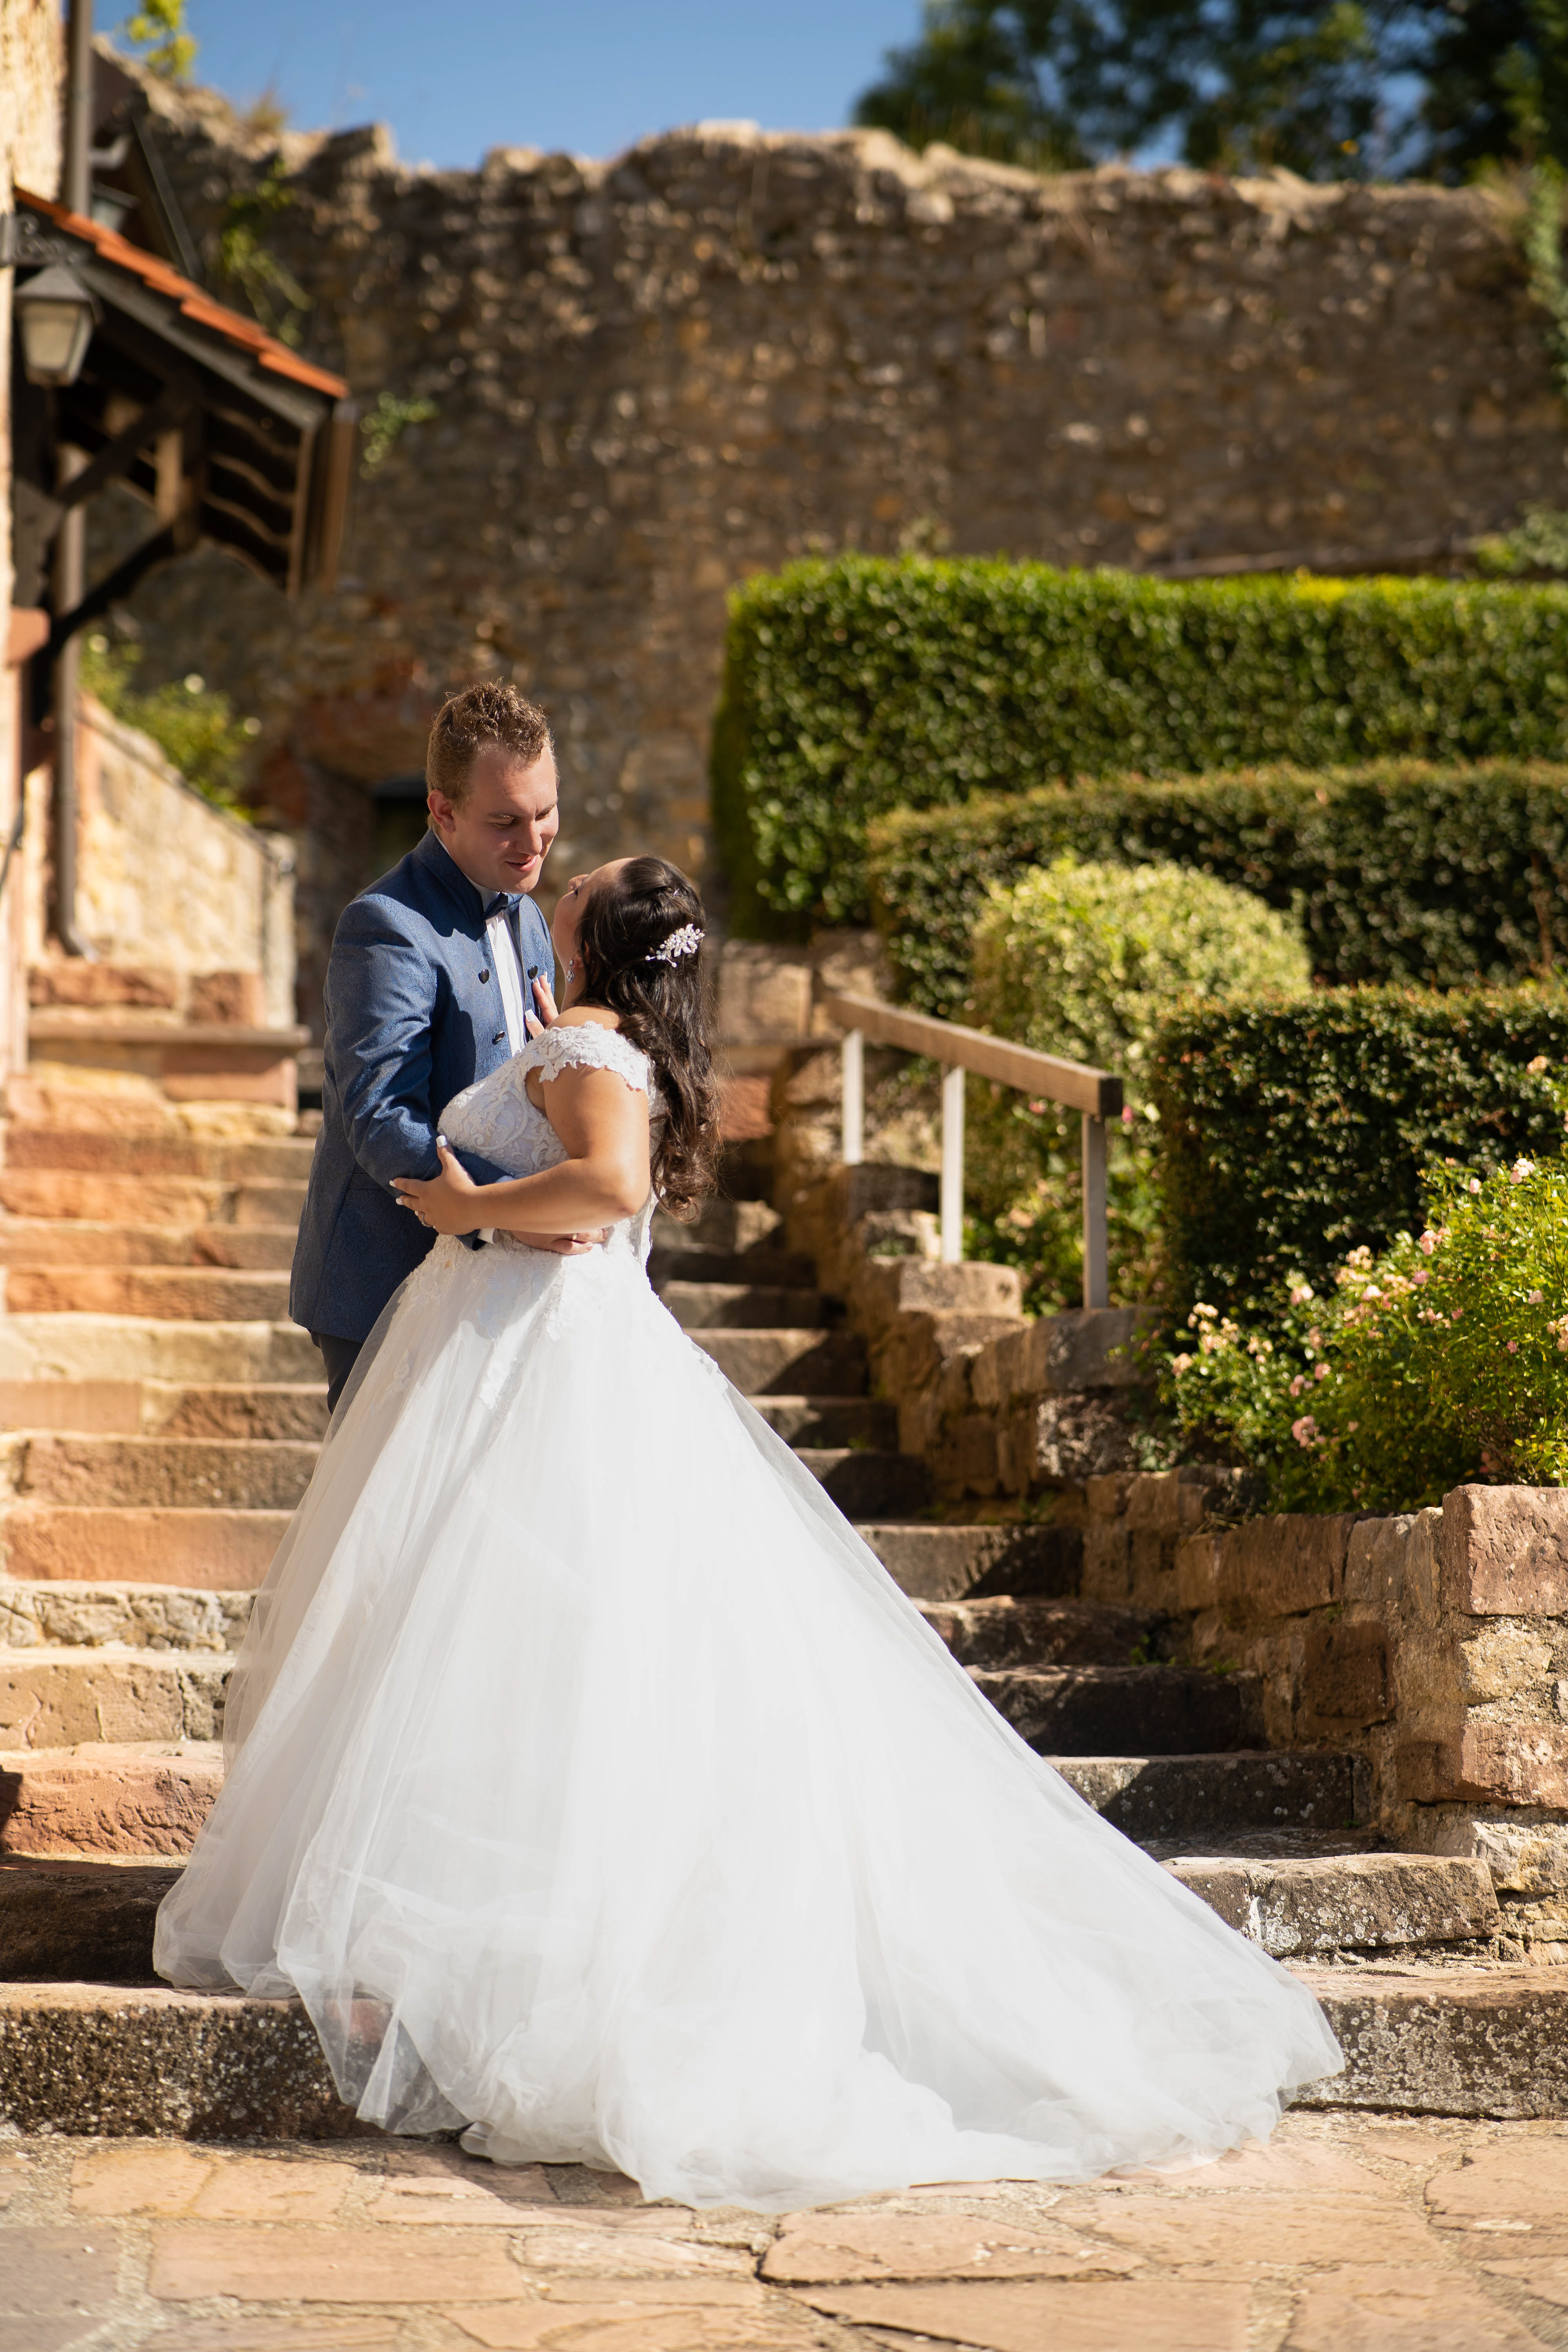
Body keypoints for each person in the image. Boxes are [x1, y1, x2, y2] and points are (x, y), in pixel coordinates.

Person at [156, 852, 1342, 2212]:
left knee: (542, 1643)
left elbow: (602, 1189)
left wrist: (474, 1208)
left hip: (544, 1363)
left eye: (582, 879)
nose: (564, 874)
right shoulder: (600, 1030)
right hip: (518, 1351)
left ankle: (576, 1952)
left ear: (597, 937)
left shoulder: (590, 1044)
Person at [289, 679, 595, 1414]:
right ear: (442, 811)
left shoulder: (526, 914)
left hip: (494, 1286)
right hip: (385, 1285)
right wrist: (511, 1208)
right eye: (504, 821)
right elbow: (380, 1115)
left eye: (545, 812)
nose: (532, 843)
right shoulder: (385, 926)